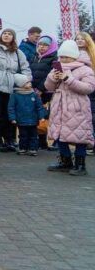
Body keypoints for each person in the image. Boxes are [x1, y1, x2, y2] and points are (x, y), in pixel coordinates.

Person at [44, 38, 95, 176]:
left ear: (73, 56)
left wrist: (68, 79)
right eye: (61, 56)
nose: (63, 59)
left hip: (77, 107)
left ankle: (80, 165)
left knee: (80, 137)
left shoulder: (85, 69)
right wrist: (53, 78)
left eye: (66, 57)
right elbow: (48, 87)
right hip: (59, 106)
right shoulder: (56, 68)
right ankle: (65, 161)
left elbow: (89, 88)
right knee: (59, 134)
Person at [0, 25, 32, 152]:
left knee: (10, 114)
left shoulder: (17, 52)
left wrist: (27, 80)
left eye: (10, 34)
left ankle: (10, 139)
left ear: (13, 37)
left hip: (11, 85)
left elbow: (25, 67)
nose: (6, 35)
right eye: (4, 33)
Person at [9, 75, 45, 157]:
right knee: (23, 135)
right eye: (27, 82)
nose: (30, 84)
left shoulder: (34, 95)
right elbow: (11, 108)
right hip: (21, 120)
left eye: (29, 82)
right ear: (21, 84)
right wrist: (12, 118)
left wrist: (41, 116)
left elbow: (39, 106)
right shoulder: (15, 95)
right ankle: (23, 148)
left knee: (33, 135)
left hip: (33, 120)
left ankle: (33, 148)